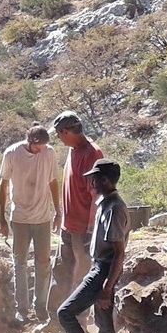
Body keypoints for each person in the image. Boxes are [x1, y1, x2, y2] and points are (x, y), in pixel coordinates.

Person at [57, 159, 128, 333]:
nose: (92, 184)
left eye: (94, 179)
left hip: (103, 270)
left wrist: (106, 286)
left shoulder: (114, 208)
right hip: (100, 268)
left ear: (104, 180)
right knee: (103, 321)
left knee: (65, 313)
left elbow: (118, 252)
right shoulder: (106, 205)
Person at [0, 124, 60, 325]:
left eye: (43, 148)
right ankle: (21, 309)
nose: (41, 151)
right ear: (30, 141)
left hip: (43, 217)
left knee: (43, 262)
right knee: (20, 262)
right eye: (38, 148)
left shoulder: (49, 154)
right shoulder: (12, 153)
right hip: (20, 218)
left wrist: (58, 211)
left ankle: (41, 307)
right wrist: (1, 216)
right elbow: (4, 184)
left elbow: (53, 182)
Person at [51, 110, 103, 302]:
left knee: (82, 275)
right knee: (60, 271)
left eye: (58, 134)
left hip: (83, 229)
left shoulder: (92, 154)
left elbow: (97, 195)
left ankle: (78, 321)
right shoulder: (73, 150)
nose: (58, 139)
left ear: (66, 132)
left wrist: (91, 230)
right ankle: (54, 319)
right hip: (68, 224)